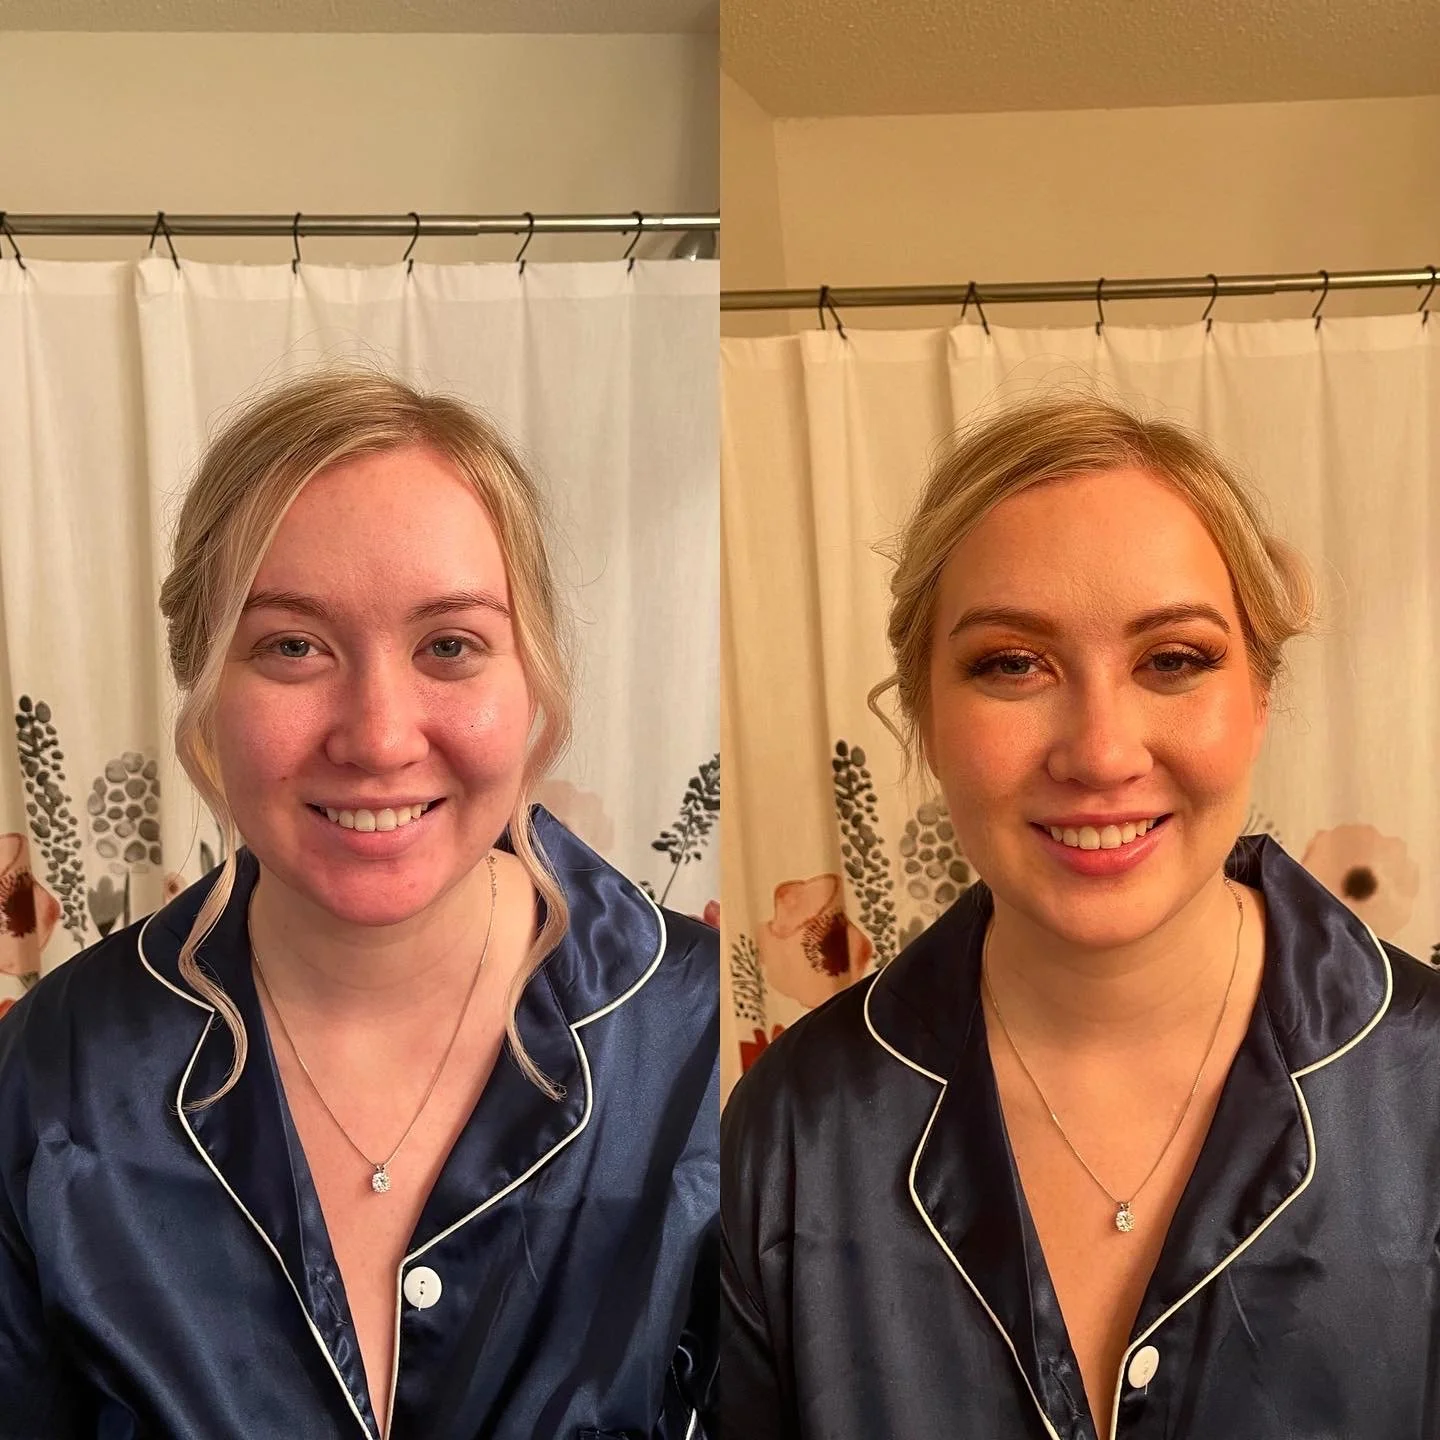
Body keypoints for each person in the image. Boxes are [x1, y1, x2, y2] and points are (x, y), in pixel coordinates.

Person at [0, 370, 718, 1439]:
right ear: (203, 681)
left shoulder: (698, 1050)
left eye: (449, 645)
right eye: (293, 645)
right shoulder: (49, 1079)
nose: (379, 738)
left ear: (531, 676)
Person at [721, 395, 1440, 1439]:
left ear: (1259, 698)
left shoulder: (1423, 1087)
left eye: (1173, 660)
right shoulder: (794, 1128)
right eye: (1013, 663)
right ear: (925, 711)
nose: (1102, 753)